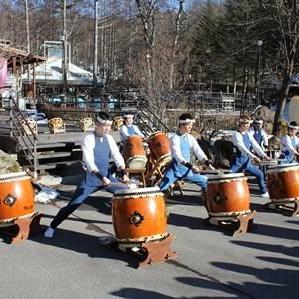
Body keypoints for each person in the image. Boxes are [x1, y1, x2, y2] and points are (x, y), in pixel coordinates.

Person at [44, 112, 129, 238]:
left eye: (109, 126)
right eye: (105, 126)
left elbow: (117, 156)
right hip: (92, 179)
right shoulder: (88, 139)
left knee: (127, 193)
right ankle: (52, 226)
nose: (107, 129)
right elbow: (89, 162)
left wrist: (123, 173)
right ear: (97, 125)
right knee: (73, 205)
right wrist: (101, 177)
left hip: (107, 178)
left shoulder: (109, 139)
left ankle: (127, 230)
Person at [159, 113, 209, 196]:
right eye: (188, 125)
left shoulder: (190, 138)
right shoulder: (175, 138)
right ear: (181, 125)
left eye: (191, 125)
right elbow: (177, 155)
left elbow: (198, 151)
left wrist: (207, 162)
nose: (190, 127)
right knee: (161, 188)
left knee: (206, 182)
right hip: (175, 170)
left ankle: (207, 198)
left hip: (187, 171)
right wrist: (191, 166)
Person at [230, 115, 271, 198]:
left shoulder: (248, 134)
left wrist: (264, 155)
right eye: (246, 124)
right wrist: (253, 157)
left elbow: (256, 146)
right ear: (241, 124)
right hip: (238, 161)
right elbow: (242, 148)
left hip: (247, 162)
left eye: (249, 124)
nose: (248, 126)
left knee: (259, 174)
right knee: (227, 177)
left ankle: (263, 192)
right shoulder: (236, 135)